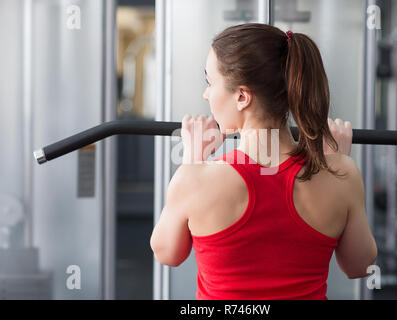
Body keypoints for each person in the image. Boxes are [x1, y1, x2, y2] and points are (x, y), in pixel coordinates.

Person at [150, 23, 377, 300]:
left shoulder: (195, 179)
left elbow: (167, 254)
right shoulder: (342, 174)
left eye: (210, 82)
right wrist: (334, 161)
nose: (206, 94)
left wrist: (192, 159)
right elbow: (359, 266)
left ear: (242, 97)